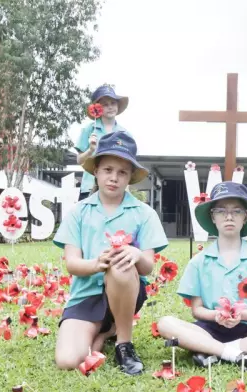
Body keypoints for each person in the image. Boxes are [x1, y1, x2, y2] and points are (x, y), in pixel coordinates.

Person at [54, 131, 168, 376]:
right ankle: (106, 330)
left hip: (125, 288)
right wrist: (96, 263)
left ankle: (123, 343)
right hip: (85, 297)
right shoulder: (79, 212)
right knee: (67, 360)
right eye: (107, 170)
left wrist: (136, 255)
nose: (114, 178)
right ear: (95, 171)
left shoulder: (144, 213)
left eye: (122, 172)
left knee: (121, 261)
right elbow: (72, 264)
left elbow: (148, 265)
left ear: (130, 178)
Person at [157, 182, 247, 372]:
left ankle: (215, 351)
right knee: (165, 323)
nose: (229, 216)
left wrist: (242, 315)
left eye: (237, 211)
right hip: (210, 328)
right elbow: (197, 310)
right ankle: (235, 354)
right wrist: (216, 316)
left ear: (246, 217)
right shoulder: (198, 262)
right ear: (212, 217)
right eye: (221, 211)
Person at [75, 84, 131, 201]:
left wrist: (127, 188)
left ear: (117, 105)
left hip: (115, 187)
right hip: (89, 187)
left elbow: (128, 164)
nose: (110, 107)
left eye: (113, 103)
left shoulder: (124, 133)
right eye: (105, 104)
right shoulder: (89, 130)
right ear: (97, 108)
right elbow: (79, 160)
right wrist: (90, 150)